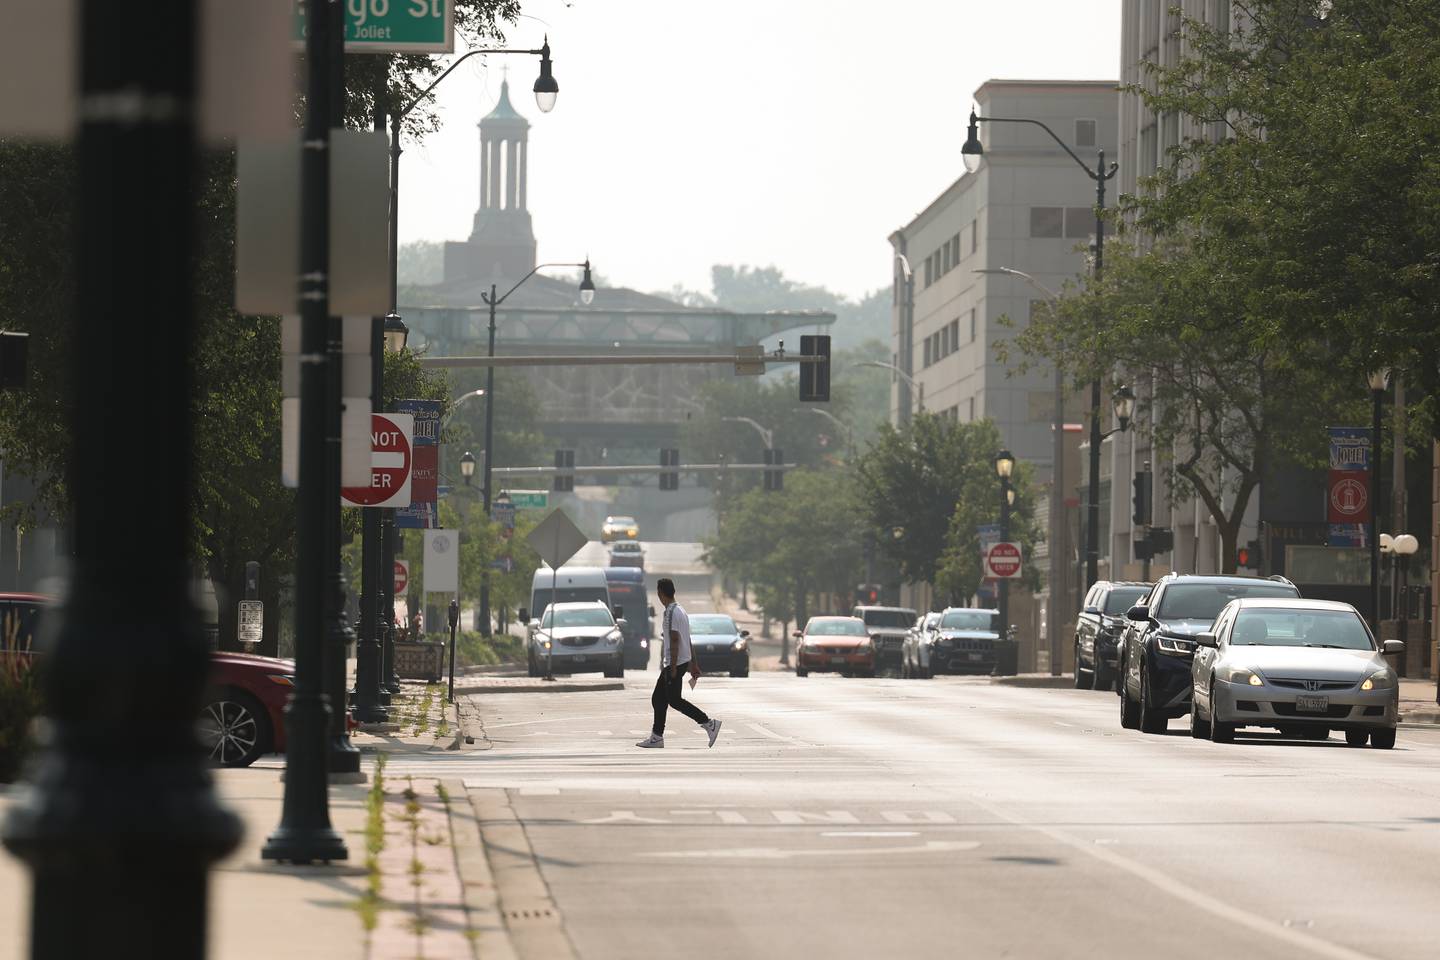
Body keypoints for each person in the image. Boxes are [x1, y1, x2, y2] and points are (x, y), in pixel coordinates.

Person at [636, 577, 721, 749]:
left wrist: (673, 666)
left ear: (660, 593)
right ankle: (657, 736)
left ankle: (708, 723)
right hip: (680, 662)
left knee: (674, 700)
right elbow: (687, 639)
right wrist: (693, 663)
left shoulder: (671, 613)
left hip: (674, 664)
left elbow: (675, 640)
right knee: (658, 699)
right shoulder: (681, 611)